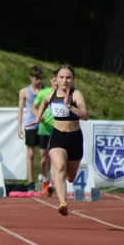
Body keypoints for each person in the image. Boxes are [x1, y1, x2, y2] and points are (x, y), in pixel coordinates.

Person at [34, 65, 89, 216]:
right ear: (56, 79)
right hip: (58, 136)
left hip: (74, 138)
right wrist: (38, 118)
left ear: (73, 80)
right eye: (62, 77)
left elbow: (85, 115)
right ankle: (63, 203)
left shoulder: (76, 94)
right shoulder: (51, 95)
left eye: (68, 77)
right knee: (59, 166)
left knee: (70, 177)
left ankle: (58, 181)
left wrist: (70, 106)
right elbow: (44, 103)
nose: (65, 80)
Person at [16, 66, 43, 191]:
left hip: (44, 124)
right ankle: (31, 181)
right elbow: (21, 110)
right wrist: (19, 128)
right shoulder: (24, 91)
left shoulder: (45, 90)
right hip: (31, 124)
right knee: (31, 153)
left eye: (40, 78)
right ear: (31, 78)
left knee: (45, 155)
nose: (38, 81)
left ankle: (44, 179)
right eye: (36, 79)